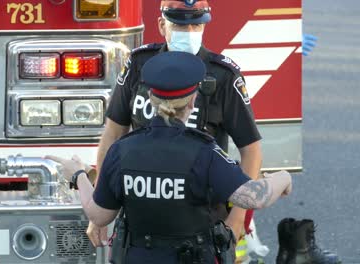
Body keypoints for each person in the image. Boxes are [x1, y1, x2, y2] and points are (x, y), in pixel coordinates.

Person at [46, 51, 291, 264]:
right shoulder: (205, 153)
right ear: (193, 101)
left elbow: (99, 215)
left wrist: (78, 175)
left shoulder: (122, 151)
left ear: (149, 99)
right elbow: (255, 197)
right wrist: (283, 177)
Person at [93, 0, 262, 249]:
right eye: (180, 25)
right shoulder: (140, 65)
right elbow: (113, 133)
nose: (189, 33)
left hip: (200, 217)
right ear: (162, 25)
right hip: (141, 212)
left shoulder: (223, 76)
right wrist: (101, 203)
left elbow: (251, 149)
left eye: (196, 25)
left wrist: (237, 219)